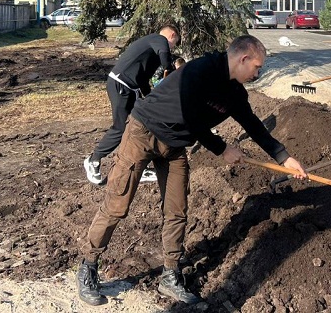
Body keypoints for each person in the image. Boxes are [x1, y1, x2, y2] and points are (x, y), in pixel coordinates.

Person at [75, 35, 307, 306]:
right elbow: (189, 116)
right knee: (117, 204)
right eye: (257, 67)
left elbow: (253, 125)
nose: (258, 72)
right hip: (143, 133)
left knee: (177, 210)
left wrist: (284, 158)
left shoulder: (235, 93)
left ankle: (170, 275)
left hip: (174, 147)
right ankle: (88, 266)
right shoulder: (200, 70)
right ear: (243, 59)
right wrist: (222, 149)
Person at [83, 24, 181, 185]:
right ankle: (93, 160)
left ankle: (138, 166)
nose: (171, 47)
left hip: (129, 88)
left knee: (143, 124)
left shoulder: (151, 53)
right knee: (121, 128)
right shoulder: (159, 39)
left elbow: (143, 79)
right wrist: (170, 73)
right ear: (171, 36)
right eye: (174, 43)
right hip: (121, 85)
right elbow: (165, 58)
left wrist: (152, 100)